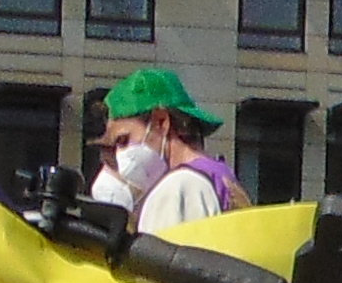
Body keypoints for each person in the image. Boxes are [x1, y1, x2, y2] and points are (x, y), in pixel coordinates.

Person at [93, 70, 239, 232]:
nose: (120, 155)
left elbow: (152, 257)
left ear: (161, 122)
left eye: (124, 140)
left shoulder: (179, 188)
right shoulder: (221, 177)